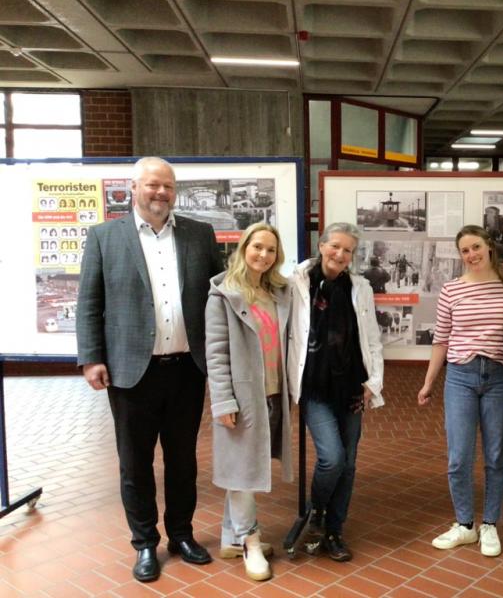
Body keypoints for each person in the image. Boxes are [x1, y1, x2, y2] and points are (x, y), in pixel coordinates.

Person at [76, 157, 224, 583]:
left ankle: (181, 534)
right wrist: (91, 357)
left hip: (187, 369)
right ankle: (144, 542)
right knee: (135, 463)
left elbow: (221, 297)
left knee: (183, 460)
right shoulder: (104, 237)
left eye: (168, 186)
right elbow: (89, 303)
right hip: (129, 372)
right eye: (153, 185)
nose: (161, 192)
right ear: (134, 187)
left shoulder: (199, 234)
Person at [418, 225, 503, 557]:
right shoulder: (451, 290)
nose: (471, 255)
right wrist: (429, 382)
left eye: (476, 247)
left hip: (500, 376)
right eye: (465, 250)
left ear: (489, 247)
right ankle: (464, 524)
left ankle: (489, 523)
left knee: (495, 455)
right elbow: (441, 339)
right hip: (460, 376)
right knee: (459, 456)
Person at [287, 222, 384, 562]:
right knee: (333, 458)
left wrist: (373, 382)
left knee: (349, 463)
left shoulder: (360, 287)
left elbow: (371, 338)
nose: (340, 255)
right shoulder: (297, 283)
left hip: (352, 385)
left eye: (348, 250)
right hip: (314, 385)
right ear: (321, 245)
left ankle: (334, 529)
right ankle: (317, 512)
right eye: (335, 246)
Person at [205, 223, 293, 581]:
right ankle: (250, 541)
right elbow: (216, 353)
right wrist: (223, 401)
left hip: (271, 393)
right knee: (243, 470)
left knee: (242, 466)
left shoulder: (278, 292)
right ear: (243, 248)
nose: (263, 255)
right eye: (257, 247)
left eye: (271, 250)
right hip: (241, 397)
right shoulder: (223, 295)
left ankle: (231, 536)